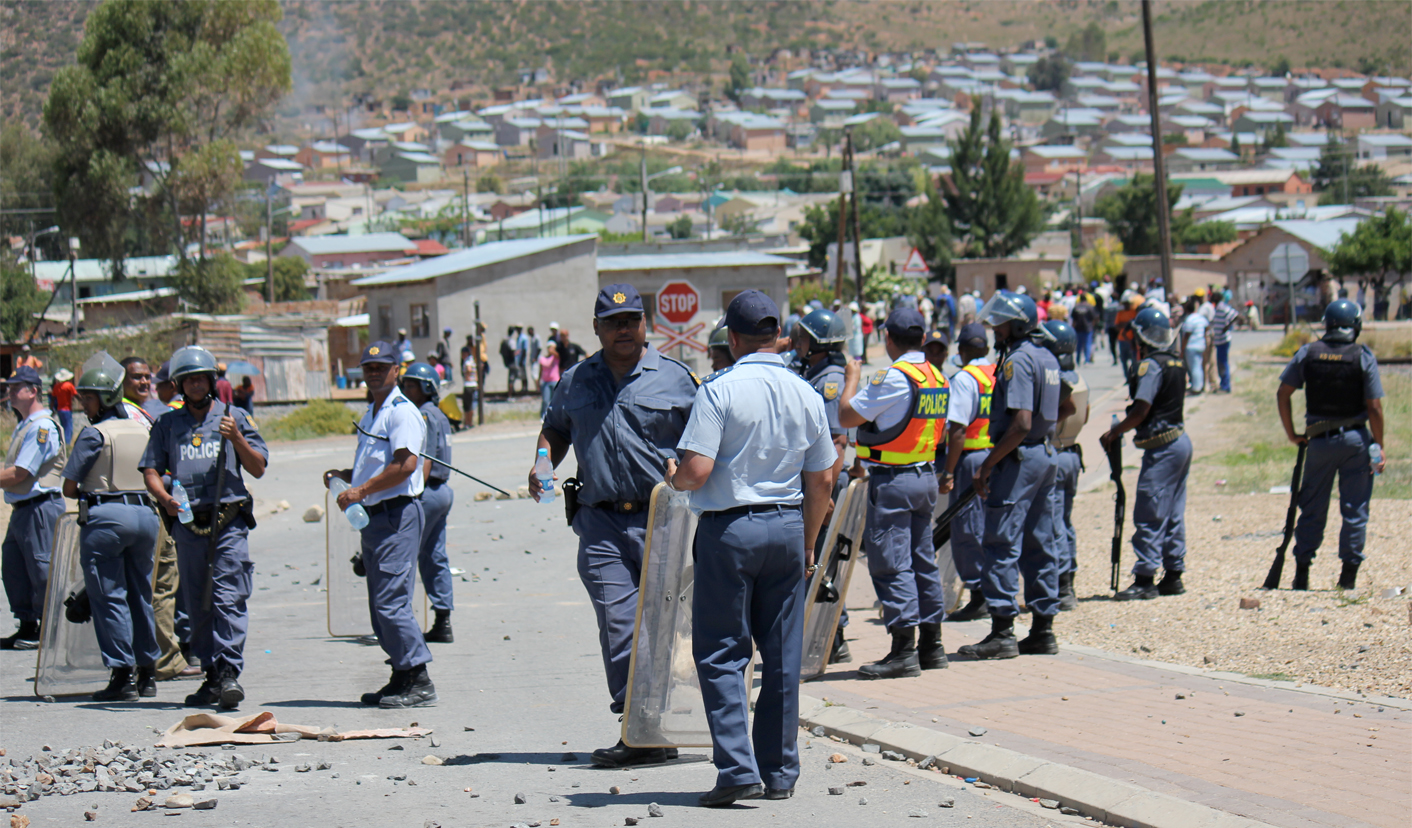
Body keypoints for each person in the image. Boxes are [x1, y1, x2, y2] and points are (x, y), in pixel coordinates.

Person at [666, 289, 835, 807]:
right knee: (781, 656)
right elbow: (824, 481)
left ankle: (737, 769)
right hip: (786, 527)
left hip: (730, 529)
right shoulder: (805, 391)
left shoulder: (719, 390)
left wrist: (674, 478)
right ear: (779, 336)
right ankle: (780, 773)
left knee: (720, 652)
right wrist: (807, 545)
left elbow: (697, 471)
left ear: (732, 339)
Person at [531, 284, 698, 768]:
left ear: (645, 325)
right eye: (613, 321)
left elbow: (706, 441)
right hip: (600, 521)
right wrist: (543, 463)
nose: (624, 329)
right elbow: (556, 430)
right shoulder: (576, 380)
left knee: (666, 629)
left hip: (665, 521)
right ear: (598, 328)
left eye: (632, 320)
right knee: (619, 624)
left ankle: (658, 723)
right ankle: (638, 728)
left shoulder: (678, 379)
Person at [141, 347, 268, 708]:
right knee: (198, 601)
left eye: (202, 378)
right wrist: (165, 499)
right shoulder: (167, 424)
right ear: (179, 385)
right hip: (187, 524)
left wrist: (237, 440)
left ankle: (229, 672)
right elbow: (151, 470)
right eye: (189, 379)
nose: (196, 384)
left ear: (212, 381)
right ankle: (211, 675)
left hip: (227, 521)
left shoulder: (236, 417)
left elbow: (258, 467)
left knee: (228, 596)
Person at [323, 342, 437, 708]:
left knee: (391, 602)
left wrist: (360, 490)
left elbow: (406, 466)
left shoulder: (402, 412)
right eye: (368, 367)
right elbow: (376, 464)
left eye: (381, 366)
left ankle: (419, 678)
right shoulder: (373, 412)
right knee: (379, 604)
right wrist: (345, 476)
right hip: (375, 516)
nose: (374, 372)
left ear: (396, 370)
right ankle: (401, 674)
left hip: (396, 514)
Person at [838, 308, 950, 678]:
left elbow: (847, 416)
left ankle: (903, 650)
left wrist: (851, 378)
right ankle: (932, 645)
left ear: (888, 338)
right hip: (925, 477)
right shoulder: (936, 375)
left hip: (894, 481)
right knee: (922, 559)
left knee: (890, 561)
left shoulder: (894, 377)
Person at [958, 291, 1061, 660]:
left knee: (1001, 542)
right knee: (1040, 540)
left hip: (1018, 458)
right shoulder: (1047, 356)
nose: (995, 330)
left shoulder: (1018, 360)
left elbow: (1019, 422)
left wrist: (988, 464)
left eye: (1000, 323)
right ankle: (1043, 630)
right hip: (1044, 454)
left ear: (1016, 324)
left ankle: (1002, 630)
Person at [62, 357, 162, 701]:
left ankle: (122, 675)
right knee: (140, 595)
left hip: (106, 516)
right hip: (146, 515)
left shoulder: (94, 433)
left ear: (105, 398)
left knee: (109, 597)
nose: (83, 404)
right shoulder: (143, 427)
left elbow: (69, 488)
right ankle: (148, 672)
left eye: (88, 397)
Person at [1276, 300, 1384, 591]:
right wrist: (1379, 446)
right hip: (1356, 442)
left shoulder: (1308, 353)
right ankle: (1347, 577)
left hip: (1319, 441)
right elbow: (1374, 407)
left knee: (1311, 505)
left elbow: (1283, 392)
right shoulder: (1363, 356)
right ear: (1356, 326)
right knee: (1355, 508)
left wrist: (1292, 433)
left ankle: (1302, 572)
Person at [1101, 308, 1192, 601]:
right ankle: (1173, 574)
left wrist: (1116, 432)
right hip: (1179, 441)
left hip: (1162, 448)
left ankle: (1145, 578)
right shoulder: (1177, 361)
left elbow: (1142, 410)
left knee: (1150, 510)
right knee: (1173, 510)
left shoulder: (1150, 366)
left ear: (1141, 337)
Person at [788, 309, 850, 662]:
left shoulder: (828, 381)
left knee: (821, 561)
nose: (798, 343)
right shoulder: (814, 373)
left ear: (816, 343)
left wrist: (823, 495)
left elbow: (836, 440)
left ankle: (831, 637)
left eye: (803, 338)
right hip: (818, 483)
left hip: (823, 484)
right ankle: (827, 634)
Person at [136, 359, 197, 680]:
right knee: (174, 577)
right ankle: (186, 644)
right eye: (141, 378)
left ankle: (183, 644)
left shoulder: (164, 415)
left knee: (171, 578)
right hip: (171, 502)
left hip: (171, 503)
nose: (151, 386)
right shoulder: (163, 415)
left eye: (153, 380)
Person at [0, 366, 66, 650]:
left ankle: (51, 629)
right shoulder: (26, 423)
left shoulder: (41, 426)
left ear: (33, 391)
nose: (10, 392)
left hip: (40, 507)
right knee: (14, 566)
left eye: (17, 387)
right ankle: (28, 625)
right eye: (10, 387)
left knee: (42, 570)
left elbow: (21, 473)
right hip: (23, 508)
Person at [939, 323, 994, 622]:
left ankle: (979, 593)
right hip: (997, 456)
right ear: (986, 348)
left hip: (971, 459)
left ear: (961, 351)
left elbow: (957, 430)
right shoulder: (997, 372)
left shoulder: (964, 378)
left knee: (967, 529)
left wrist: (948, 472)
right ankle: (994, 590)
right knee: (991, 525)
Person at [400, 362, 456, 644]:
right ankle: (443, 620)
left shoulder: (421, 415)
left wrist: (413, 496)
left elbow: (424, 458)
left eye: (412, 385)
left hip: (427, 492)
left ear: (426, 388)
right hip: (442, 492)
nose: (406, 390)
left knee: (404, 556)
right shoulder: (440, 414)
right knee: (434, 556)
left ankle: (400, 623)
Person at [1043, 320, 1088, 612]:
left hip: (1056, 452)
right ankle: (1067, 576)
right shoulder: (1080, 378)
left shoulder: (1056, 379)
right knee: (1066, 521)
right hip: (1073, 451)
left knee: (1054, 523)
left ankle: (1062, 586)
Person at [1209, 292, 1240, 393]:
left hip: (1223, 340)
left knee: (1223, 363)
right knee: (1220, 363)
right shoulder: (1217, 308)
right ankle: (1223, 384)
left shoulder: (1222, 307)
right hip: (1219, 340)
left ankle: (1225, 386)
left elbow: (1235, 315)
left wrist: (1227, 327)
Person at [119, 357, 161, 425]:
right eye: (137, 377)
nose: (144, 382)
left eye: (147, 377)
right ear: (122, 379)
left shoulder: (138, 409)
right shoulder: (125, 412)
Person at [1180, 299, 1209, 394]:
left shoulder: (1189, 319)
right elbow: (1206, 328)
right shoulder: (1200, 318)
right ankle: (1199, 385)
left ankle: (1197, 388)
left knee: (1194, 367)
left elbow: (1186, 336)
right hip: (1201, 344)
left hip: (1192, 346)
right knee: (1199, 366)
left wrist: (1182, 348)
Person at [1115, 294, 1142, 379]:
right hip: (1122, 340)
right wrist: (1125, 324)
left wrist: (1124, 324)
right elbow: (1117, 325)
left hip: (1132, 340)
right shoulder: (1120, 313)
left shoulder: (1133, 312)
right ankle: (1127, 377)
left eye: (1128, 303)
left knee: (1134, 359)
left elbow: (1133, 324)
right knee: (1123, 359)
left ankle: (1133, 376)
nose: (1126, 305)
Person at [52, 368, 77, 444]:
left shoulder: (57, 386)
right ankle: (67, 443)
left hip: (60, 409)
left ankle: (62, 442)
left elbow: (53, 398)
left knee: (62, 427)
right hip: (67, 409)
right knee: (68, 427)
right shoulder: (69, 385)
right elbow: (75, 395)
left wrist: (52, 408)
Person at [537, 339, 560, 420]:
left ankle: (554, 416)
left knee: (555, 400)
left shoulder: (555, 357)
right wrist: (538, 381)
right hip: (546, 381)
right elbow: (540, 370)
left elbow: (557, 355)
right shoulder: (542, 358)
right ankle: (544, 415)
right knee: (546, 400)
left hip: (554, 380)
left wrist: (553, 350)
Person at [1070, 295, 1096, 365]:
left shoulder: (1076, 307)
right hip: (1088, 328)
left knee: (1079, 345)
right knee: (1087, 344)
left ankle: (1078, 360)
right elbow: (1094, 318)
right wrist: (1093, 326)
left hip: (1078, 328)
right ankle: (1087, 360)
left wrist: (1072, 328)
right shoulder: (1089, 307)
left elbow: (1073, 320)